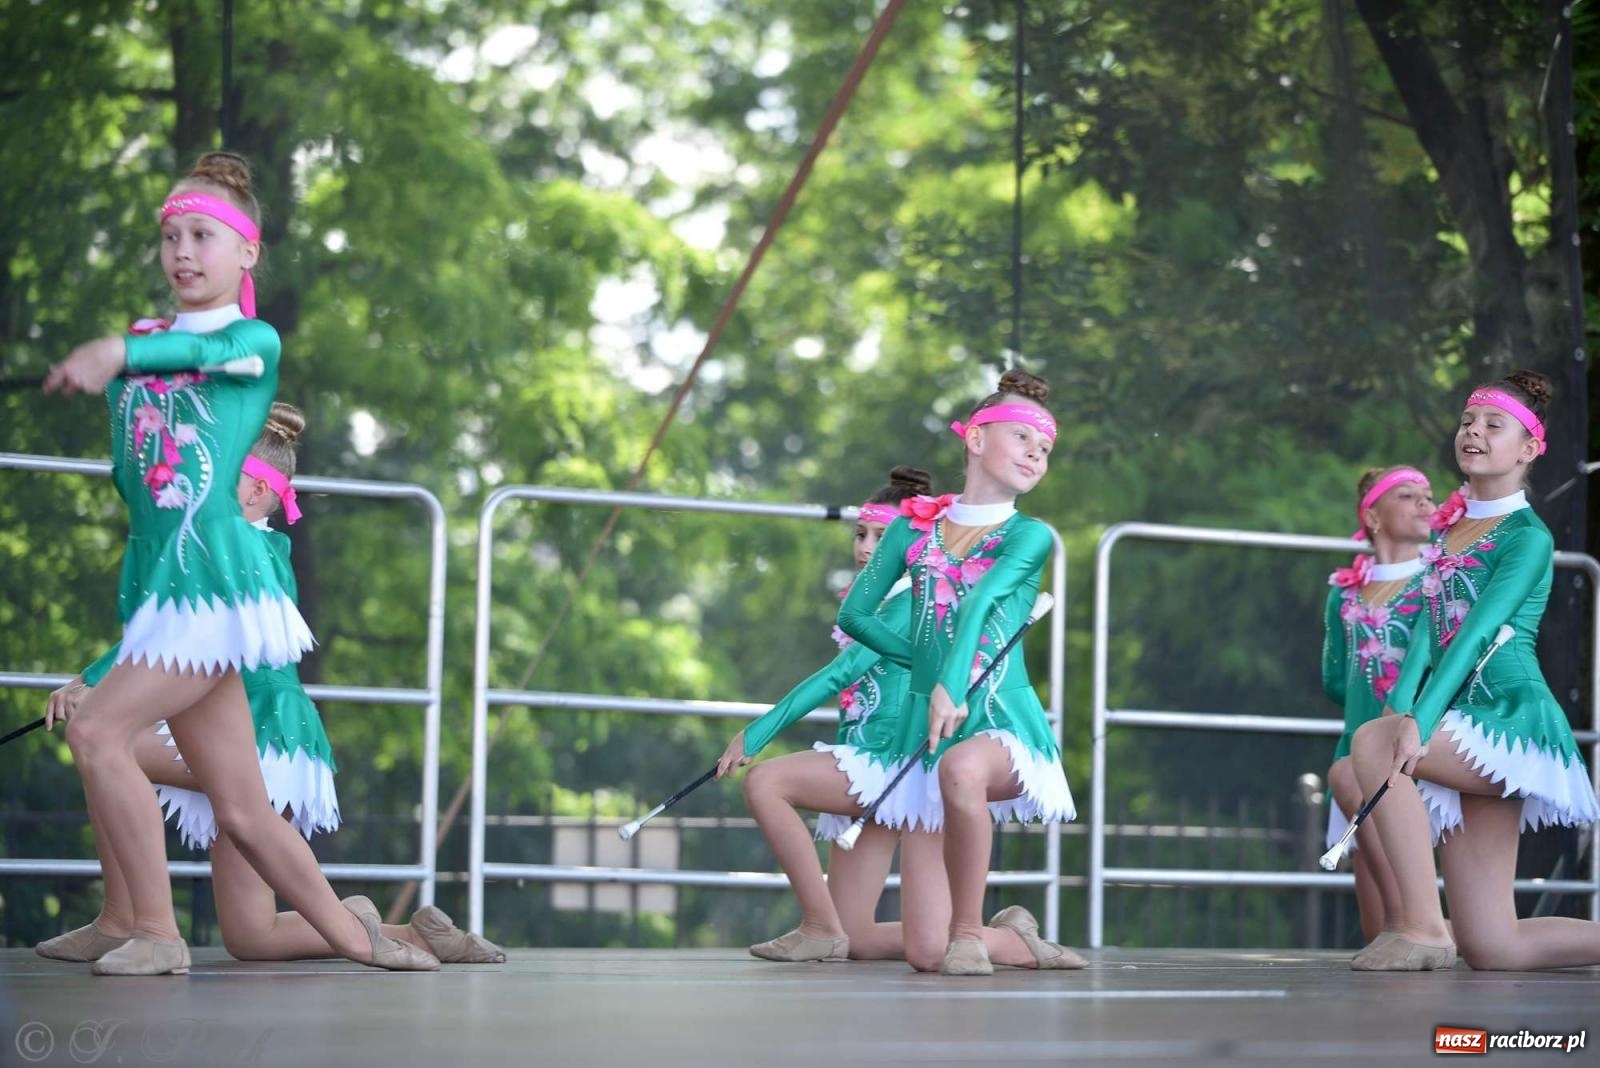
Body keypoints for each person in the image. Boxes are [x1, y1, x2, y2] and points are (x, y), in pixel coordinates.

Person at [42, 152, 434, 974]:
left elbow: (195, 361)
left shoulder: (252, 340)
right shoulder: (150, 340)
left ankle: (153, 930)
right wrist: (119, 360)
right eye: (172, 236)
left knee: (98, 730)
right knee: (245, 810)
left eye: (204, 236)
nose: (183, 252)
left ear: (246, 253)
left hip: (213, 586)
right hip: (164, 583)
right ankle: (359, 935)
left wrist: (114, 354)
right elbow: (141, 462)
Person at [1349, 370, 1600, 971]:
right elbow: (1427, 637)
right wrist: (1404, 703)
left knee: (1374, 744)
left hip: (1512, 720)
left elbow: (1479, 630)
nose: (1474, 433)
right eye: (1467, 421)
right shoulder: (1451, 528)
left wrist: (1419, 721)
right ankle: (1437, 928)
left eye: (1494, 425)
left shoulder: (1526, 536)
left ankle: (1422, 925)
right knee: (1494, 947)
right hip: (1466, 718)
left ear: (1529, 448)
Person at [838, 369, 1080, 975]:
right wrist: (916, 665)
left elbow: (977, 605)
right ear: (974, 439)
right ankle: (1017, 939)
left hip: (1000, 723)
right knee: (923, 952)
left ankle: (971, 931)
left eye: (1045, 447)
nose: (1035, 453)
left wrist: (948, 681)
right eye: (1023, 437)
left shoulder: (1030, 536)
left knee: (964, 768)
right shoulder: (910, 530)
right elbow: (856, 613)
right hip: (931, 735)